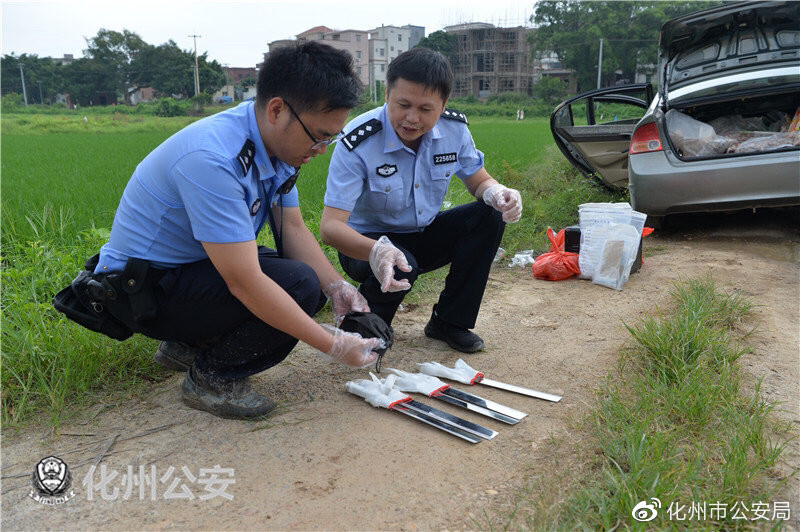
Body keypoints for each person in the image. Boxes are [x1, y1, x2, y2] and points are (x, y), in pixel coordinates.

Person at [85, 42, 381, 419]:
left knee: (300, 277)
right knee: (296, 284)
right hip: (138, 292)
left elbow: (291, 228)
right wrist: (332, 344)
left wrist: (338, 287)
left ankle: (186, 345)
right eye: (319, 136)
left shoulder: (274, 142)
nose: (322, 149)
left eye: (330, 139)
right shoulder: (214, 160)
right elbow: (244, 283)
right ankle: (212, 377)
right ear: (277, 109)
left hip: (179, 273)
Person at [320, 48, 522, 354]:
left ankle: (449, 321)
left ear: (444, 105)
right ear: (387, 93)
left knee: (488, 215)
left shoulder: (455, 130)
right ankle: (365, 326)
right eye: (403, 105)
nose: (412, 119)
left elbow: (478, 180)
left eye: (426, 109)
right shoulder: (359, 140)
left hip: (423, 234)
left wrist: (498, 193)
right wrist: (376, 250)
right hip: (364, 245)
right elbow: (331, 228)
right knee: (400, 269)